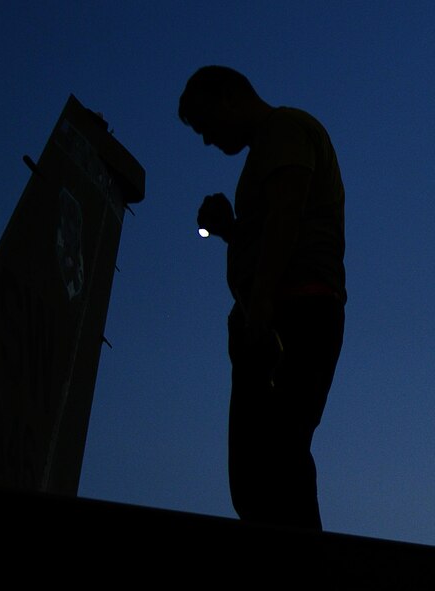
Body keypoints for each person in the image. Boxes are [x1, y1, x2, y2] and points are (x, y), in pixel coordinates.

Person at [179, 66, 346, 531]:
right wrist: (231, 231)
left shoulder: (284, 129)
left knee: (274, 456)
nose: (208, 140)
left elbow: (287, 218)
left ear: (228, 97)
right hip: (285, 311)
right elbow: (278, 224)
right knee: (265, 464)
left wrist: (261, 309)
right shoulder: (273, 146)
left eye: (205, 123)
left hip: (293, 312)